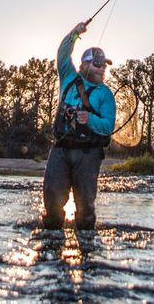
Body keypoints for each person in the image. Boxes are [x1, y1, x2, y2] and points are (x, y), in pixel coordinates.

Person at [42, 21, 116, 230]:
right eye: (97, 64)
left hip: (88, 154)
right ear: (84, 65)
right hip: (61, 150)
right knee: (52, 198)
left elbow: (108, 126)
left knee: (85, 209)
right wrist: (75, 33)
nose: (102, 69)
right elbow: (63, 53)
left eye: (104, 66)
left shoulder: (105, 94)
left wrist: (89, 120)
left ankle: (87, 248)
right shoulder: (69, 77)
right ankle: (50, 243)